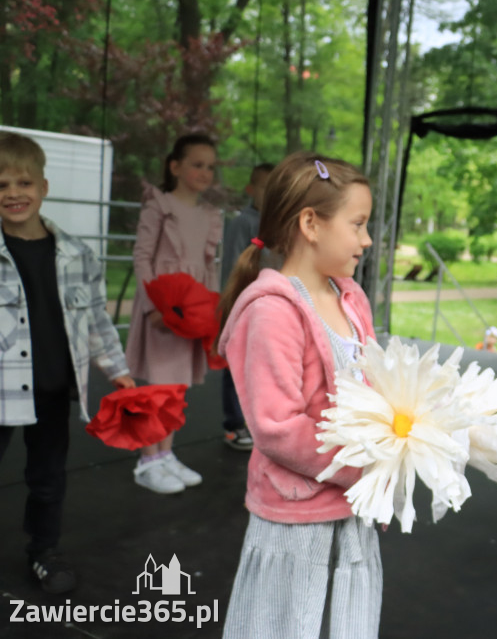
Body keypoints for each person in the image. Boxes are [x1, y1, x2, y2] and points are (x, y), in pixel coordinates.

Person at [217, 153, 380, 638]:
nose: (366, 239)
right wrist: (364, 465)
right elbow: (276, 425)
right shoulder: (271, 313)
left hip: (351, 513)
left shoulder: (352, 298)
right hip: (297, 520)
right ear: (311, 223)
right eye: (358, 224)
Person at [0, 132, 135, 593]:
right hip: (1, 391)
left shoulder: (78, 254)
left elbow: (97, 321)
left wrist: (118, 372)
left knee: (48, 479)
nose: (13, 194)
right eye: (1, 185)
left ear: (44, 187)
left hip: (54, 389)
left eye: (23, 182)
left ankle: (44, 550)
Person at [125, 134, 223, 493]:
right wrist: (154, 308)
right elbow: (141, 258)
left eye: (210, 167)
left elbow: (209, 266)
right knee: (159, 384)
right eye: (197, 164)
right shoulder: (159, 206)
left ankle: (166, 454)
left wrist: (210, 312)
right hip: (163, 308)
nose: (205, 172)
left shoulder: (210, 216)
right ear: (175, 166)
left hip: (192, 310)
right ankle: (147, 460)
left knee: (177, 387)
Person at [220, 162, 274, 451]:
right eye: (266, 187)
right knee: (235, 365)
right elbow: (233, 266)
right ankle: (233, 424)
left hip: (267, 309)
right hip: (244, 304)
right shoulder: (243, 222)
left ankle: (256, 422)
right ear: (251, 190)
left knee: (261, 367)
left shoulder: (279, 224)